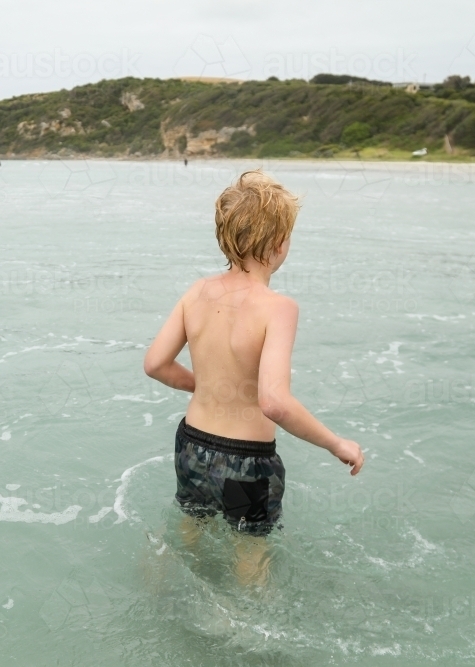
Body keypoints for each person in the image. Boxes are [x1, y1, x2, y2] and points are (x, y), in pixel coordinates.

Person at [143, 170, 365, 585]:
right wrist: (337, 443)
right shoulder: (277, 307)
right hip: (246, 461)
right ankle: (247, 636)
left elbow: (155, 364)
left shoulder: (196, 292)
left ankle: (158, 589)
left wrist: (205, 384)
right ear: (279, 243)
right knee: (251, 557)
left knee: (189, 532)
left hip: (191, 444)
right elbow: (275, 402)